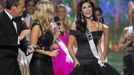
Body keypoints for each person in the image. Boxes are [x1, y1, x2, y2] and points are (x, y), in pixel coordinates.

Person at [68, 0, 120, 75]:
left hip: (95, 62)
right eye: (84, 8)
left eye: (89, 7)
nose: (87, 9)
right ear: (81, 11)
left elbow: (98, 43)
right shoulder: (75, 26)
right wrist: (75, 60)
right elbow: (69, 46)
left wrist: (102, 57)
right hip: (81, 62)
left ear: (92, 9)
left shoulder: (99, 26)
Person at [0, 0, 33, 75]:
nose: (24, 9)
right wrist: (19, 38)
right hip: (2, 66)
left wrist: (27, 48)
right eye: (22, 7)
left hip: (15, 66)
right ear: (13, 7)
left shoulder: (18, 20)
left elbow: (21, 41)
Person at [29, 1, 58, 75]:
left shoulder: (48, 26)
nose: (52, 14)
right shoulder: (36, 26)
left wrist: (58, 34)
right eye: (51, 12)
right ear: (45, 12)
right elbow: (33, 47)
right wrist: (49, 53)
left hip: (48, 60)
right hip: (38, 63)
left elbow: (48, 44)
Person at [51, 4, 74, 75]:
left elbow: (72, 43)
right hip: (56, 56)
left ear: (66, 13)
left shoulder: (69, 26)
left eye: (63, 11)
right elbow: (48, 42)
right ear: (56, 13)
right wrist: (56, 34)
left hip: (67, 57)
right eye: (59, 11)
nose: (61, 13)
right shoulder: (51, 26)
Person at [119, 8, 134, 75]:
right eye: (133, 13)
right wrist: (129, 41)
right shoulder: (126, 30)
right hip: (128, 62)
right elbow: (120, 47)